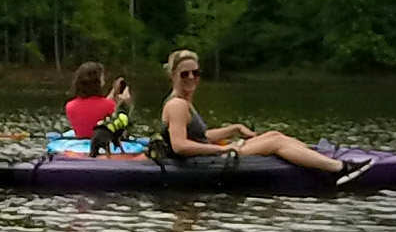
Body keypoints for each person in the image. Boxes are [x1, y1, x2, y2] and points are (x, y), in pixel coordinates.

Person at [158, 49, 372, 184]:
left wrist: (234, 128)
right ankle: (338, 169)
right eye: (185, 74)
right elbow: (180, 146)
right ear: (173, 75)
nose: (191, 78)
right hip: (202, 162)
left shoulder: (183, 102)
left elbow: (200, 136)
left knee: (274, 133)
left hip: (206, 156)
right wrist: (223, 148)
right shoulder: (177, 104)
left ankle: (315, 158)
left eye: (195, 73)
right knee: (276, 142)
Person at [65, 61, 134, 152]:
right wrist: (126, 105)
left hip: (80, 143)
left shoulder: (70, 106)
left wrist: (113, 91)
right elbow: (120, 122)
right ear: (97, 82)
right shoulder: (110, 105)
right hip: (104, 144)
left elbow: (94, 106)